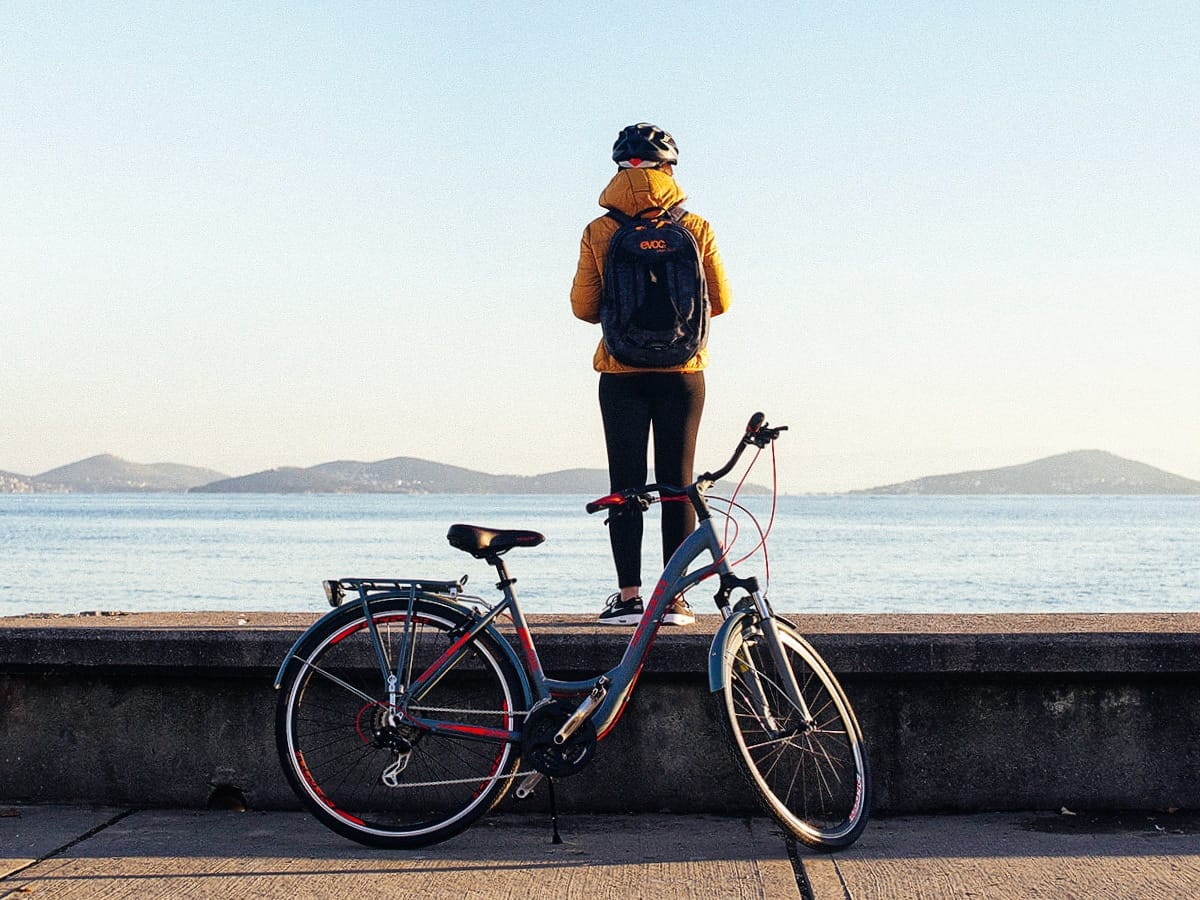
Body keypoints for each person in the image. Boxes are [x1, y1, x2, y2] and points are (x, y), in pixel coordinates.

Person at [570, 123, 731, 625]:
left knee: (626, 482)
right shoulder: (696, 226)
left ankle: (629, 596)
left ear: (619, 168)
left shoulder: (599, 230)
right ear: (669, 169)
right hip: (684, 372)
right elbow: (721, 302)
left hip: (621, 371)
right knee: (678, 484)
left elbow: (583, 307)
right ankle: (674, 599)